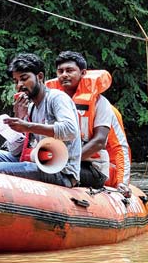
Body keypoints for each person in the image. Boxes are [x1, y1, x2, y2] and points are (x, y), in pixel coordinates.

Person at [0, 53, 81, 187]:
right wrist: (18, 119)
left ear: (39, 77)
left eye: (24, 78)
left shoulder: (57, 98)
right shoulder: (31, 107)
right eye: (16, 81)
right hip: (39, 161)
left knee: (1, 169)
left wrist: (27, 126)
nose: (19, 85)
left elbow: (70, 130)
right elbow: (16, 151)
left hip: (62, 171)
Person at [46, 51, 131, 195]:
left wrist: (122, 182)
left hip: (92, 166)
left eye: (70, 70)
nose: (64, 75)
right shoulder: (51, 102)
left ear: (83, 73)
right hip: (60, 160)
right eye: (60, 71)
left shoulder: (102, 105)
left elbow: (118, 147)